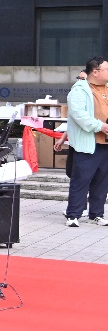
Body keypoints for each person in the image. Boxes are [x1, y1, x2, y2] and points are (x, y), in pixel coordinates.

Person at [63, 57, 108, 227]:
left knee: (102, 181)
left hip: (106, 144)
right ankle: (73, 215)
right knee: (81, 180)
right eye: (107, 69)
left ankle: (96, 214)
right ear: (95, 72)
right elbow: (79, 114)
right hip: (88, 144)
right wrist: (100, 126)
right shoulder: (79, 90)